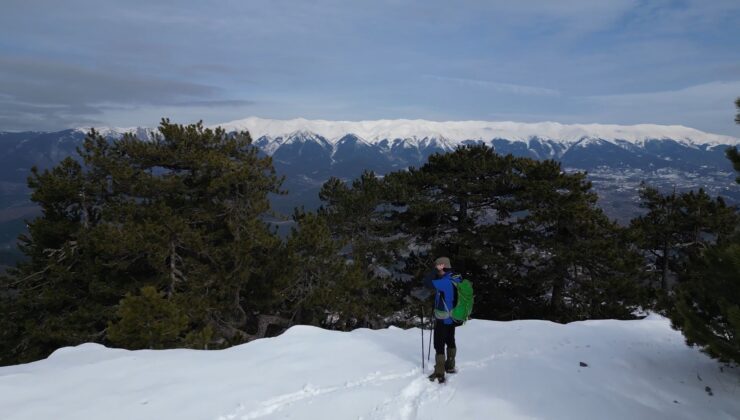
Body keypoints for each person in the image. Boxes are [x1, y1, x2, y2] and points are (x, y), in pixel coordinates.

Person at [425, 256, 461, 383]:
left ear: (443, 266)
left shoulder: (445, 282)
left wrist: (434, 272)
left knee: (439, 344)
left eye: (438, 267)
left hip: (443, 318)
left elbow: (427, 282)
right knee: (450, 340)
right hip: (453, 317)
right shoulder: (456, 278)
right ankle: (450, 366)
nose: (436, 269)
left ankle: (439, 372)